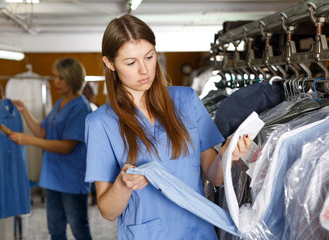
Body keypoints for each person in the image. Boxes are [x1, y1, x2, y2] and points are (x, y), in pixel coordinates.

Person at [84, 14, 251, 240]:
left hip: (198, 232)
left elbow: (215, 176)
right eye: (131, 62)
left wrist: (227, 153)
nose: (144, 70)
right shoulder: (100, 123)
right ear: (110, 63)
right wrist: (123, 184)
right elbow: (107, 211)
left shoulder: (187, 100)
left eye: (149, 57)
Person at [9, 57, 93, 240]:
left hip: (71, 179)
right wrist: (25, 112)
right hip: (53, 177)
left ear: (72, 78)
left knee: (78, 227)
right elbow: (41, 131)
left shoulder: (81, 107)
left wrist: (29, 140)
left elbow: (66, 147)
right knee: (55, 229)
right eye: (55, 77)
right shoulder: (59, 104)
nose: (56, 82)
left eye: (60, 78)